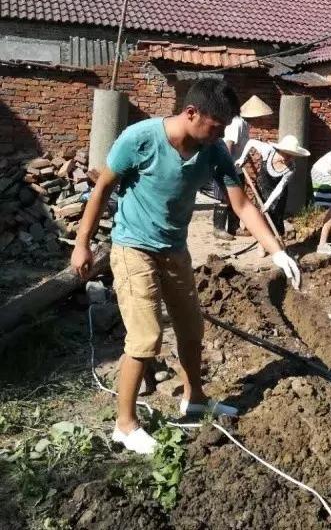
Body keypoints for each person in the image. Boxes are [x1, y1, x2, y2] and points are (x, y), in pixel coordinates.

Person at [71, 79, 301, 456]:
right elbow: (102, 189)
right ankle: (124, 425)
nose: (221, 134)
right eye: (216, 126)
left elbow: (242, 206)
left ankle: (194, 399)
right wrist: (82, 243)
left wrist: (276, 251)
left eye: (226, 127)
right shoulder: (140, 139)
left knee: (192, 330)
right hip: (133, 248)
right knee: (146, 338)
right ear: (191, 113)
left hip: (175, 251)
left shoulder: (214, 151)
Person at [236, 134, 310, 256]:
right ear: (280, 150)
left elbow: (280, 187)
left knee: (274, 218)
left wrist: (268, 203)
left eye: (291, 155)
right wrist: (242, 158)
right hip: (262, 188)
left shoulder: (291, 167)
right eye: (286, 154)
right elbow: (250, 142)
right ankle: (261, 241)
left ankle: (270, 244)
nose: (288, 158)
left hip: (277, 195)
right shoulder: (268, 151)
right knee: (259, 216)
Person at [212, 94, 273, 240]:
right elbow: (228, 145)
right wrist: (225, 165)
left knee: (237, 199)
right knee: (224, 198)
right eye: (258, 117)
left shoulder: (245, 125)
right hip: (227, 167)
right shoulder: (236, 123)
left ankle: (234, 227)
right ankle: (218, 229)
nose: (259, 120)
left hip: (237, 167)